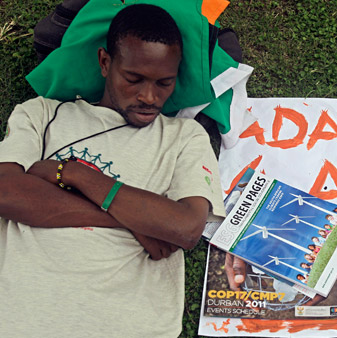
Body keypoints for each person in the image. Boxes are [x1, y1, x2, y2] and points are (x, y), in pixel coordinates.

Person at [0, 4, 223, 337]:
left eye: (165, 83)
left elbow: (186, 228)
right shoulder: (42, 115)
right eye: (134, 79)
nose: (149, 96)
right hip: (23, 321)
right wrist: (142, 222)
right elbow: (5, 192)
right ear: (106, 63)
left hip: (128, 326)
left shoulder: (184, 136)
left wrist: (75, 175)